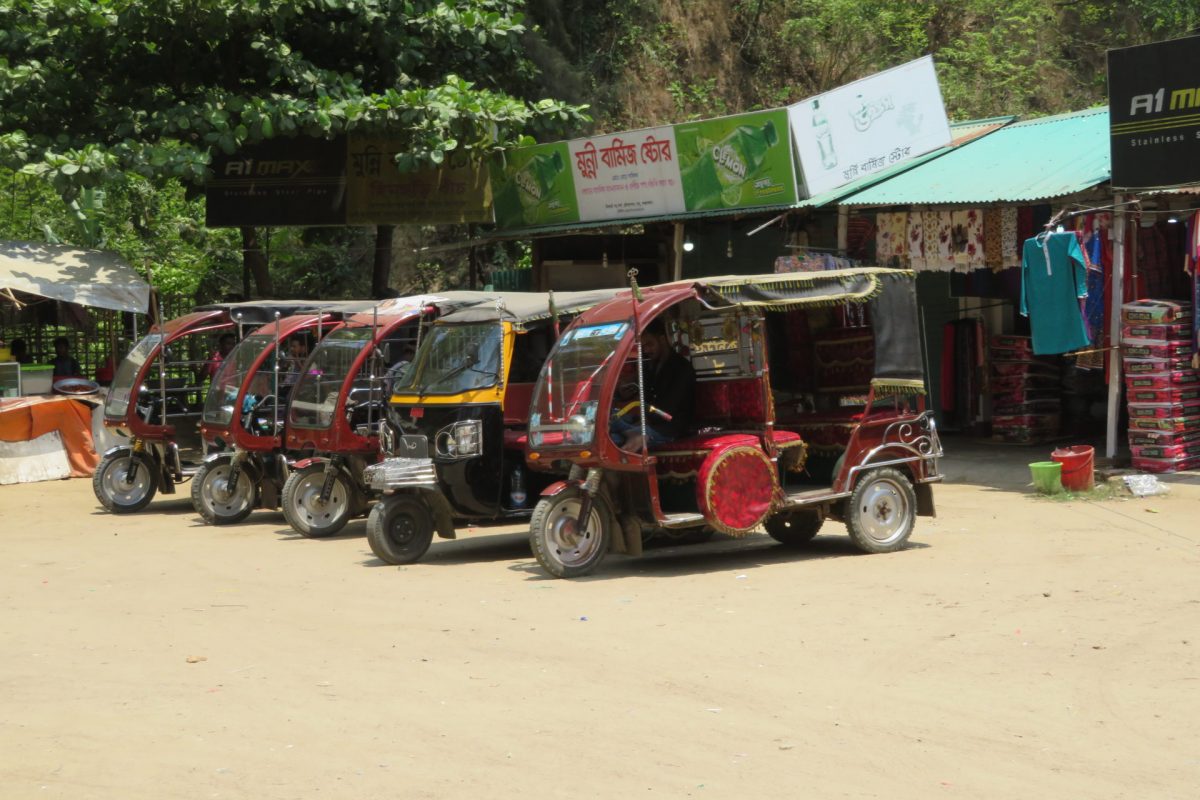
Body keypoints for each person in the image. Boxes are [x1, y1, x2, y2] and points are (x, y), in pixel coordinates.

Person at [610, 320, 695, 453]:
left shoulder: (682, 368)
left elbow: (667, 410)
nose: (646, 350)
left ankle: (633, 435)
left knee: (631, 437)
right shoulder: (648, 365)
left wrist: (644, 422)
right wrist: (623, 390)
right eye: (643, 346)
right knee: (609, 432)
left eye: (649, 344)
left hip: (670, 427)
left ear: (662, 339)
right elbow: (636, 390)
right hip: (647, 423)